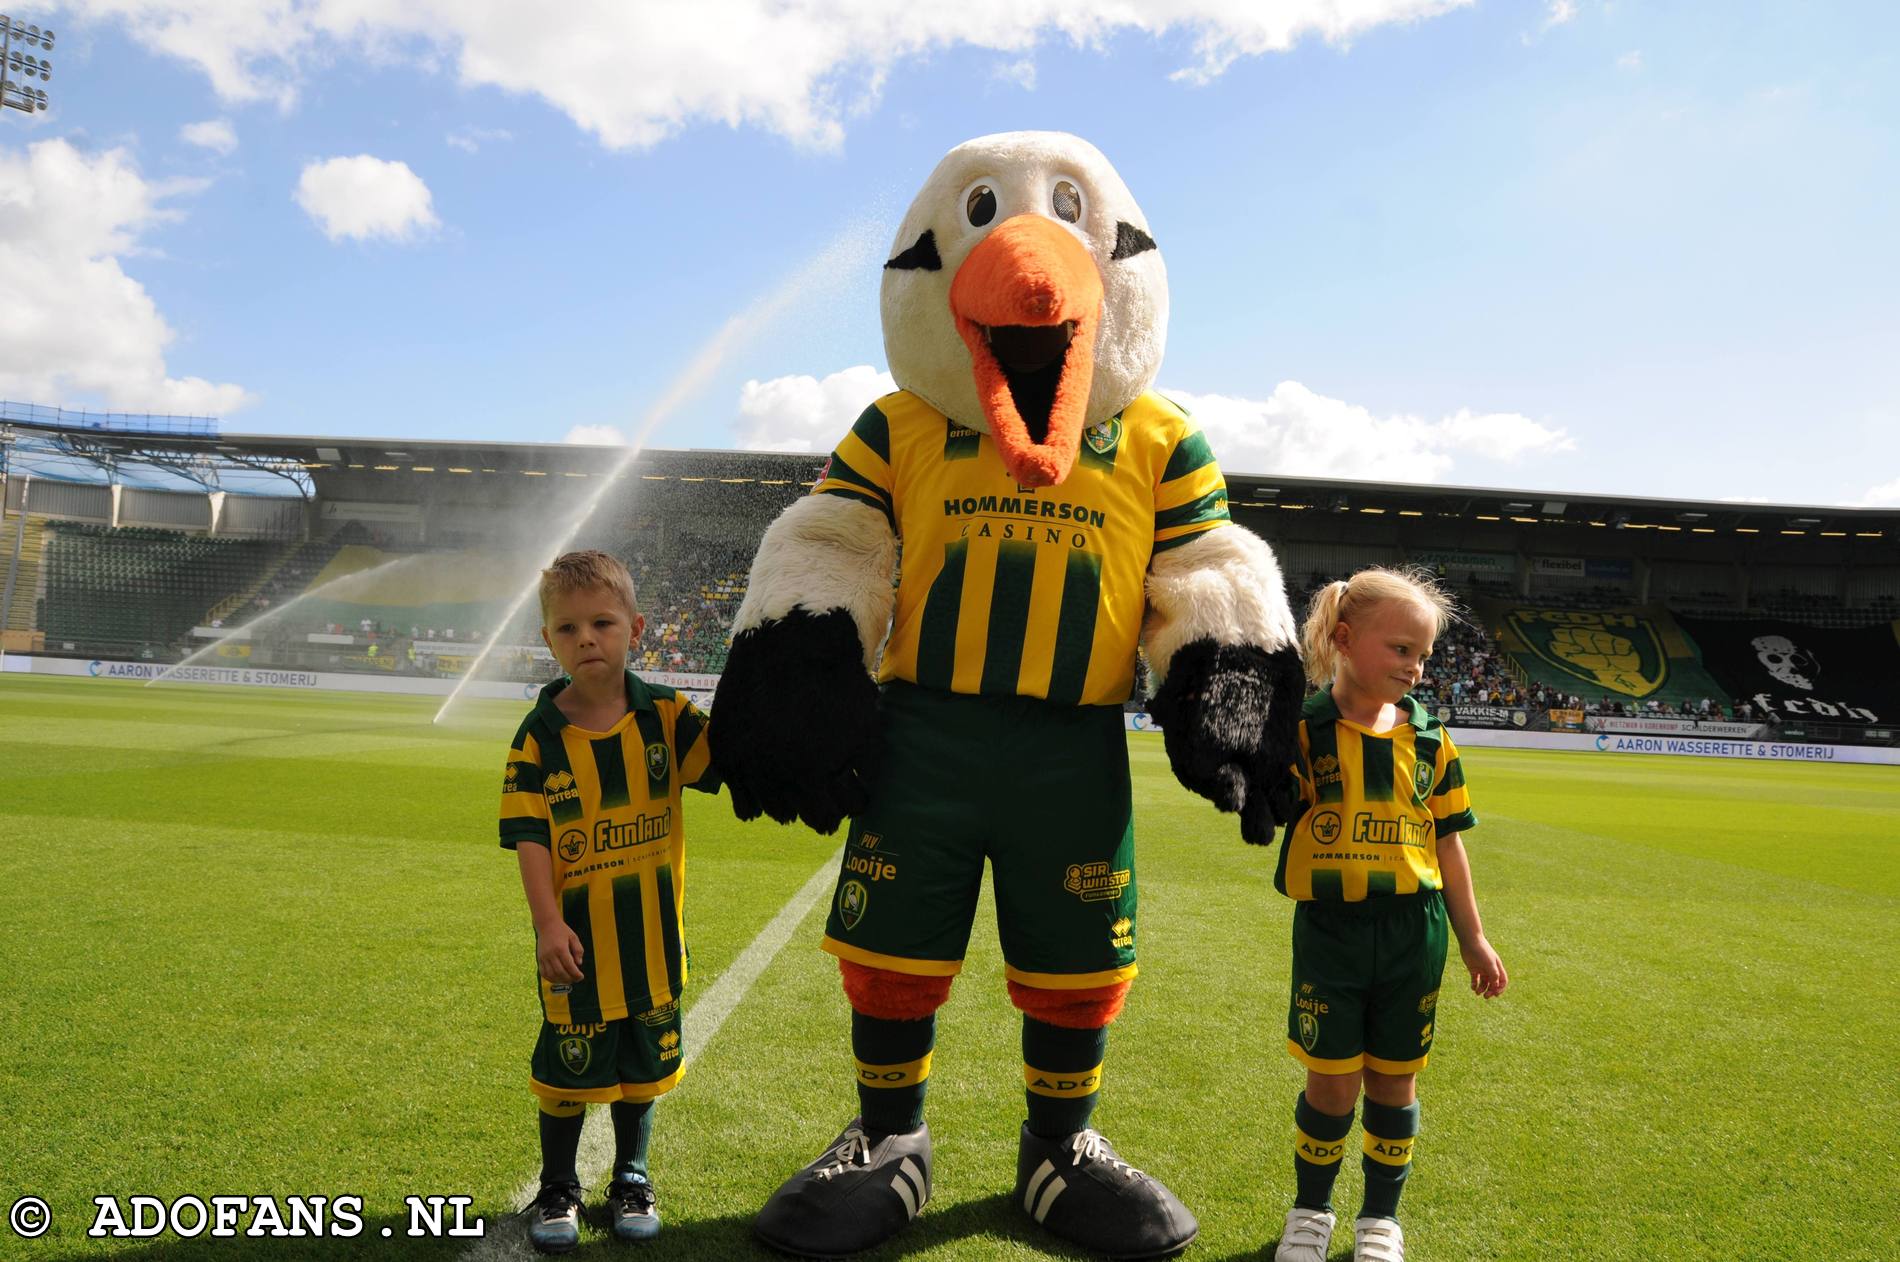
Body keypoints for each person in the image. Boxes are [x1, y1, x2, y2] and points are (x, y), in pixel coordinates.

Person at [1271, 568, 1508, 1262]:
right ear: (1344, 639)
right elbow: (1263, 805)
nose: (1416, 667)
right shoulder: (1304, 733)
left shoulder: (1433, 743)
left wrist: (1474, 939)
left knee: (1394, 1080)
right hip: (1331, 933)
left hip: (1415, 933)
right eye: (1401, 649)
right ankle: (1311, 1213)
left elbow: (1449, 847)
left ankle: (1380, 1221)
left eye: (1424, 655)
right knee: (1332, 1080)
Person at [498, 550, 720, 1253]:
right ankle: (559, 1186)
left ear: (636, 628)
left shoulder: (668, 716)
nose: (585, 638)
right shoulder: (538, 737)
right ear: (549, 642)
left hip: (654, 945)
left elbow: (734, 762)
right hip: (577, 950)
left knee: (642, 1070)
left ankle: (631, 1176)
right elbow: (530, 834)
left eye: (601, 622)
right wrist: (546, 923)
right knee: (566, 1074)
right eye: (567, 629)